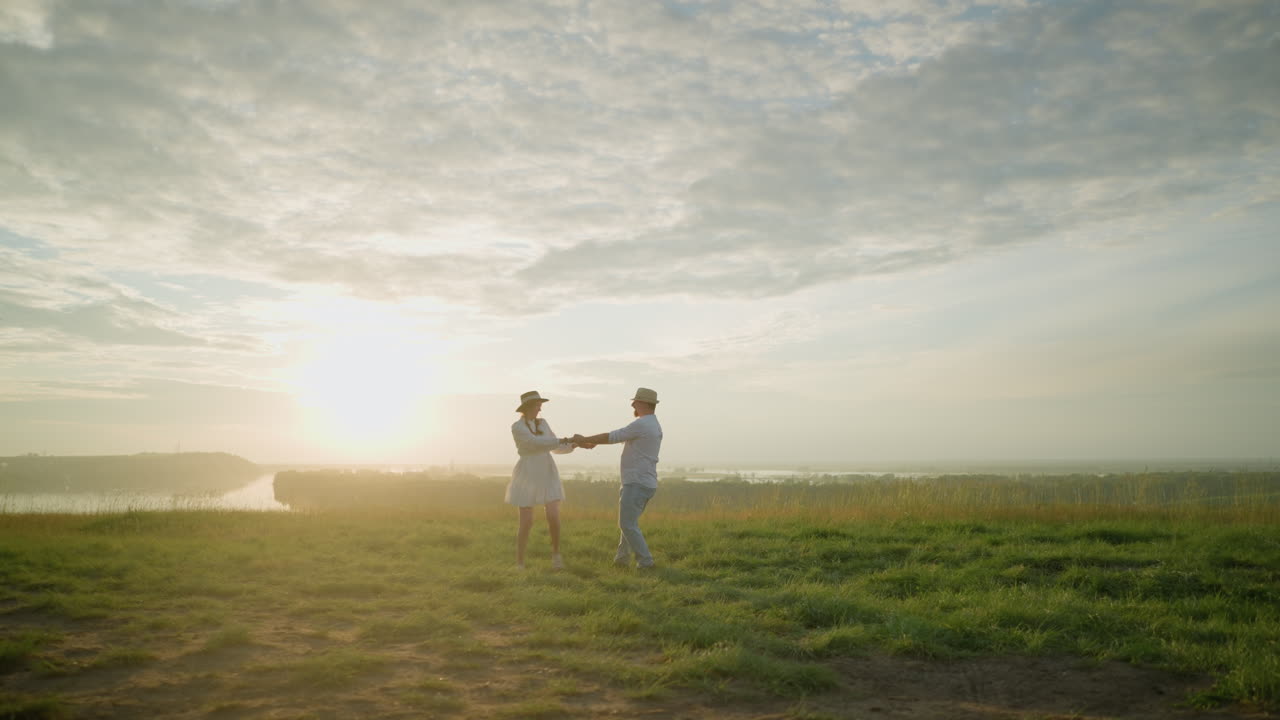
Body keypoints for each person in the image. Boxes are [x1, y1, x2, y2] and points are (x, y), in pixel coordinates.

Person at [572, 387, 663, 570]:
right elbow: (619, 438)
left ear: (644, 403)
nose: (632, 404)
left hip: (636, 482)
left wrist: (584, 439)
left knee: (626, 524)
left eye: (636, 401)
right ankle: (621, 560)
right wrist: (592, 442)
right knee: (629, 524)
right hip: (643, 482)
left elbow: (612, 436)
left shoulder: (642, 424)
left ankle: (646, 562)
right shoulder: (651, 424)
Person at [507, 390, 578, 570]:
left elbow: (554, 446)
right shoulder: (517, 427)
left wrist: (575, 444)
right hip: (527, 474)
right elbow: (535, 443)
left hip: (547, 471)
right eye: (538, 405)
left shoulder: (543, 423)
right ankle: (520, 562)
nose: (540, 408)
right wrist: (565, 439)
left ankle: (556, 555)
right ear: (529, 406)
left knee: (553, 515)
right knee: (526, 521)